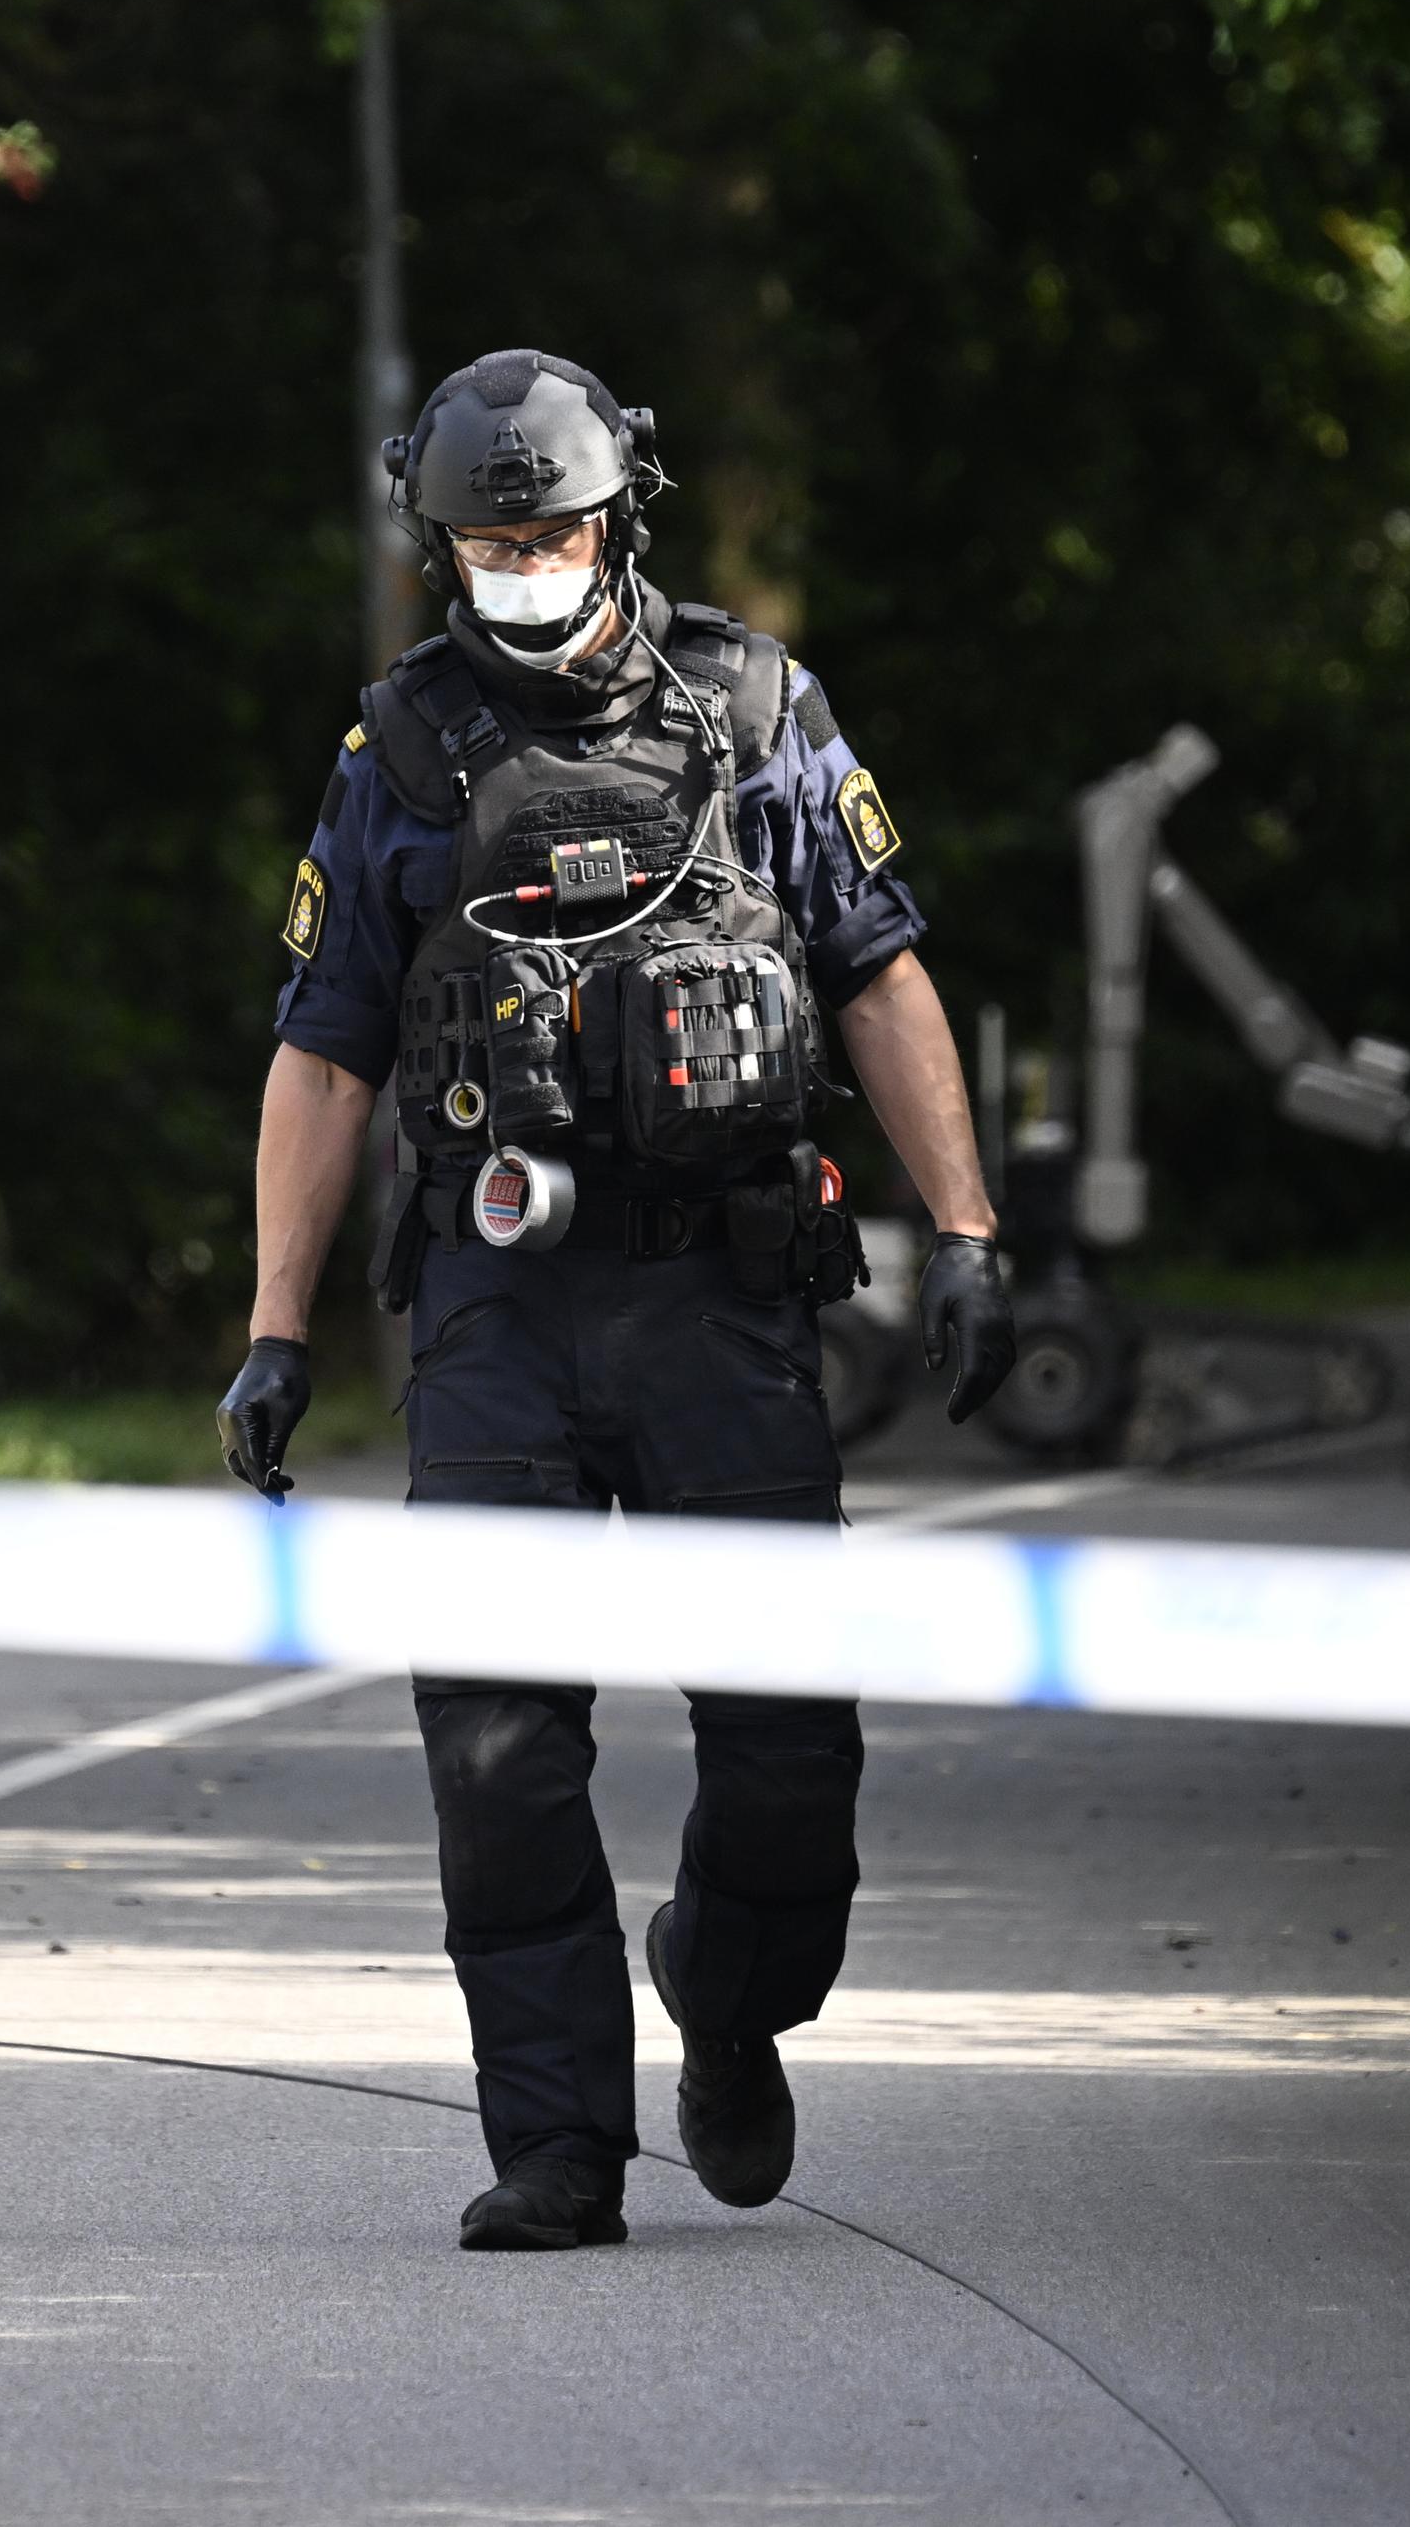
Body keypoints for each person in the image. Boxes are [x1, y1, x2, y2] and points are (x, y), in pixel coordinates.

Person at [217, 349, 1016, 2251]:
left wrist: (968, 1229)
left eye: (553, 531)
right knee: (496, 1745)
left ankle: (729, 2002)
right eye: (490, 539)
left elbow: (880, 974)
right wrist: (273, 1324)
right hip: (498, 1309)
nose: (524, 563)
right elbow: (323, 1059)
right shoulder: (396, 757)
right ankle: (558, 2143)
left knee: (787, 1754)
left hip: (722, 1302)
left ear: (617, 520)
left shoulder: (757, 710)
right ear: (441, 545)